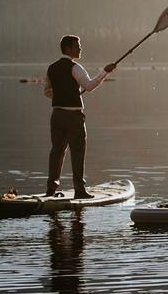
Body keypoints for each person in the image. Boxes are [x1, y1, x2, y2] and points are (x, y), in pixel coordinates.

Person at [43, 35, 115, 199]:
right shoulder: (75, 67)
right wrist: (105, 71)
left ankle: (50, 189)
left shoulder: (51, 68)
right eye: (77, 46)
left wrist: (63, 93)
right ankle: (79, 190)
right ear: (68, 48)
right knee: (77, 152)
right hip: (73, 117)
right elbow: (89, 86)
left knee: (56, 152)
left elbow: (47, 92)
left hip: (57, 115)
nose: (80, 49)